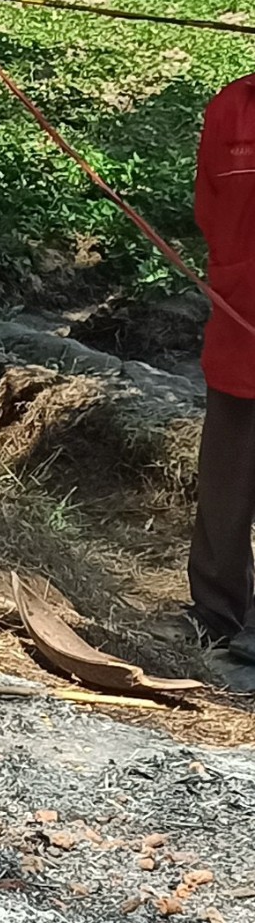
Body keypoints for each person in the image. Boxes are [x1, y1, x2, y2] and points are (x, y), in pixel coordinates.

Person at [187, 73, 255, 686]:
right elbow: (210, 208)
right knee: (225, 483)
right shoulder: (231, 108)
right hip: (240, 324)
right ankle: (216, 613)